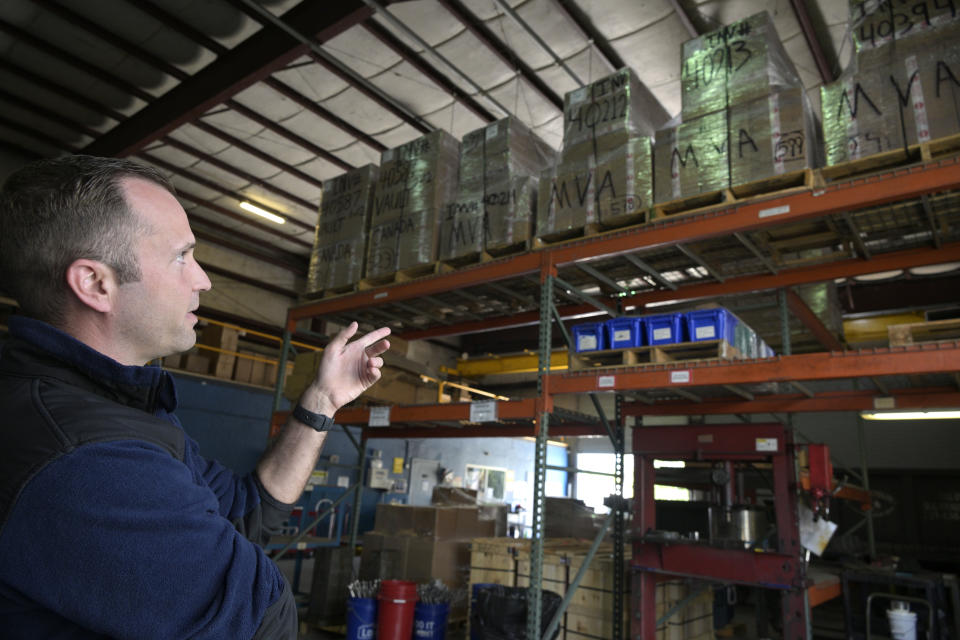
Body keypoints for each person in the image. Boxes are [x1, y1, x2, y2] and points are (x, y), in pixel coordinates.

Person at [0, 155, 390, 639]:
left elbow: (246, 511)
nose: (203, 279)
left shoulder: (116, 406)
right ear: (96, 283)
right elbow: (259, 620)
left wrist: (322, 400)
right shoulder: (87, 457)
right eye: (182, 256)